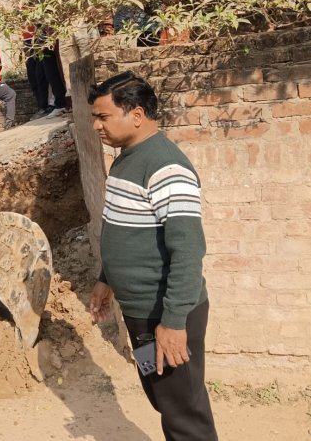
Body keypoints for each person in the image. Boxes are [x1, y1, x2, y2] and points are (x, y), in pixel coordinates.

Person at [88, 72, 217, 441]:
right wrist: (105, 278)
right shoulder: (126, 160)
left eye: (103, 117)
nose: (97, 126)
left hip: (167, 315)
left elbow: (189, 250)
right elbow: (123, 230)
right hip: (140, 316)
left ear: (138, 114)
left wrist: (174, 323)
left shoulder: (166, 167)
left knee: (184, 412)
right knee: (161, 394)